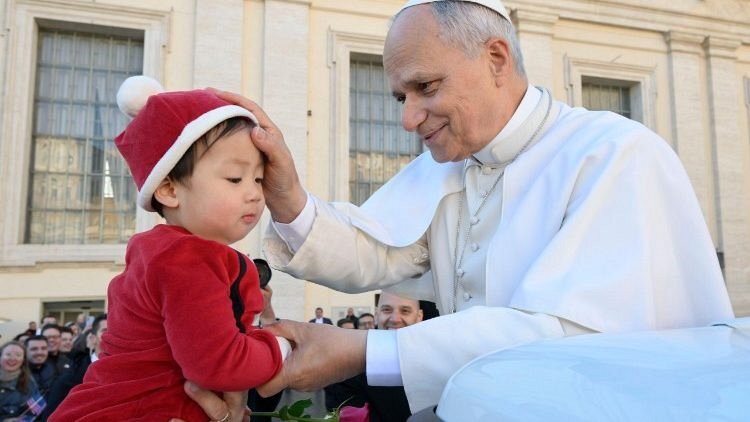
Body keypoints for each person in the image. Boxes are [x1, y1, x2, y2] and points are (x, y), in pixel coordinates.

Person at [196, 0, 734, 414]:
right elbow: (376, 251)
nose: (409, 118)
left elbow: (569, 339)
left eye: (424, 87)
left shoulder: (613, 153)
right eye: (399, 97)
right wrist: (286, 193)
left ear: (496, 58)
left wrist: (365, 351)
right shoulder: (450, 161)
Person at [49, 76, 289, 421]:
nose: (254, 193)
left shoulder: (162, 251)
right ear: (169, 190)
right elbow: (218, 364)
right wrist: (281, 348)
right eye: (235, 179)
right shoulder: (189, 258)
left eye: (258, 179)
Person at [325, 291, 423, 421]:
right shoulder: (349, 371)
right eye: (387, 310)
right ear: (376, 316)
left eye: (405, 311)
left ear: (419, 316)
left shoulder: (438, 363)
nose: (395, 319)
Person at [40, 314, 108, 419]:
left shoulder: (130, 373)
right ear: (93, 338)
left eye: (116, 332)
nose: (112, 336)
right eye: (105, 331)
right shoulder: (70, 377)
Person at [0, 341, 42, 420]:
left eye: (18, 355)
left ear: (23, 360)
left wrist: (23, 420)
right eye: (8, 354)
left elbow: (37, 410)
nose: (12, 358)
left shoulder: (30, 383)